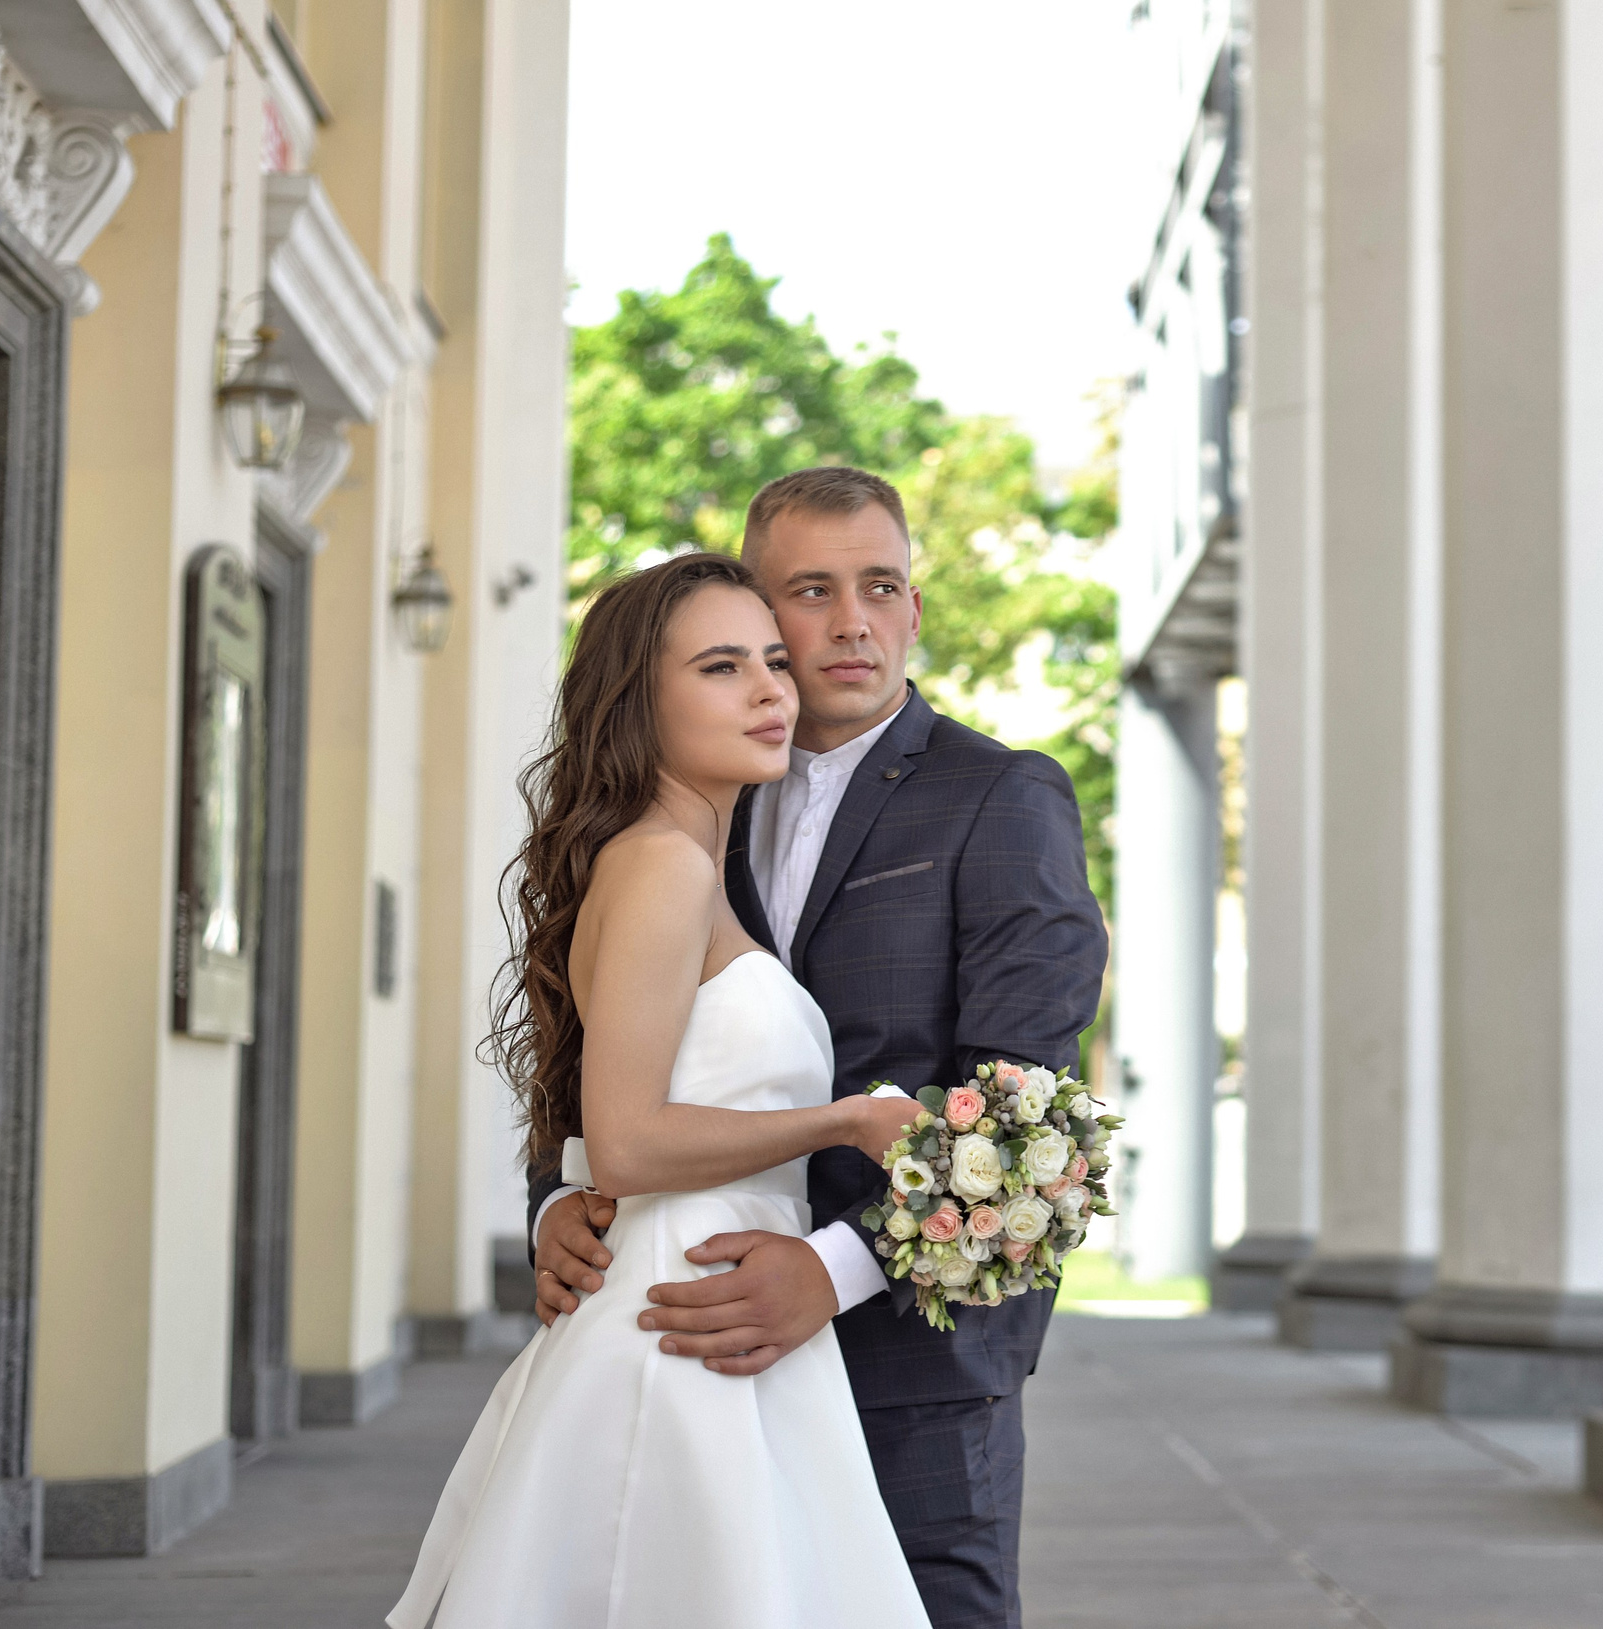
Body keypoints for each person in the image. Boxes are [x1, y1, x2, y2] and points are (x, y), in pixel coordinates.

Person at [529, 467, 1108, 1629]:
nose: (852, 619)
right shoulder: (701, 792)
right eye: (811, 589)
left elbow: (1023, 1107)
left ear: (913, 610)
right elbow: (604, 1024)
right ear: (758, 607)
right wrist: (562, 1191)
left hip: (913, 1366)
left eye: (881, 585)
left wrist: (831, 1268)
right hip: (689, 1336)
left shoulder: (1003, 797)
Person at [390, 552, 933, 1627]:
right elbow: (627, 1140)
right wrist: (845, 1119)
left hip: (721, 1321)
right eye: (723, 666)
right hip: (672, 1328)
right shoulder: (662, 863)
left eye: (774, 661)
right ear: (640, 700)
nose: (773, 689)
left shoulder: (686, 860)